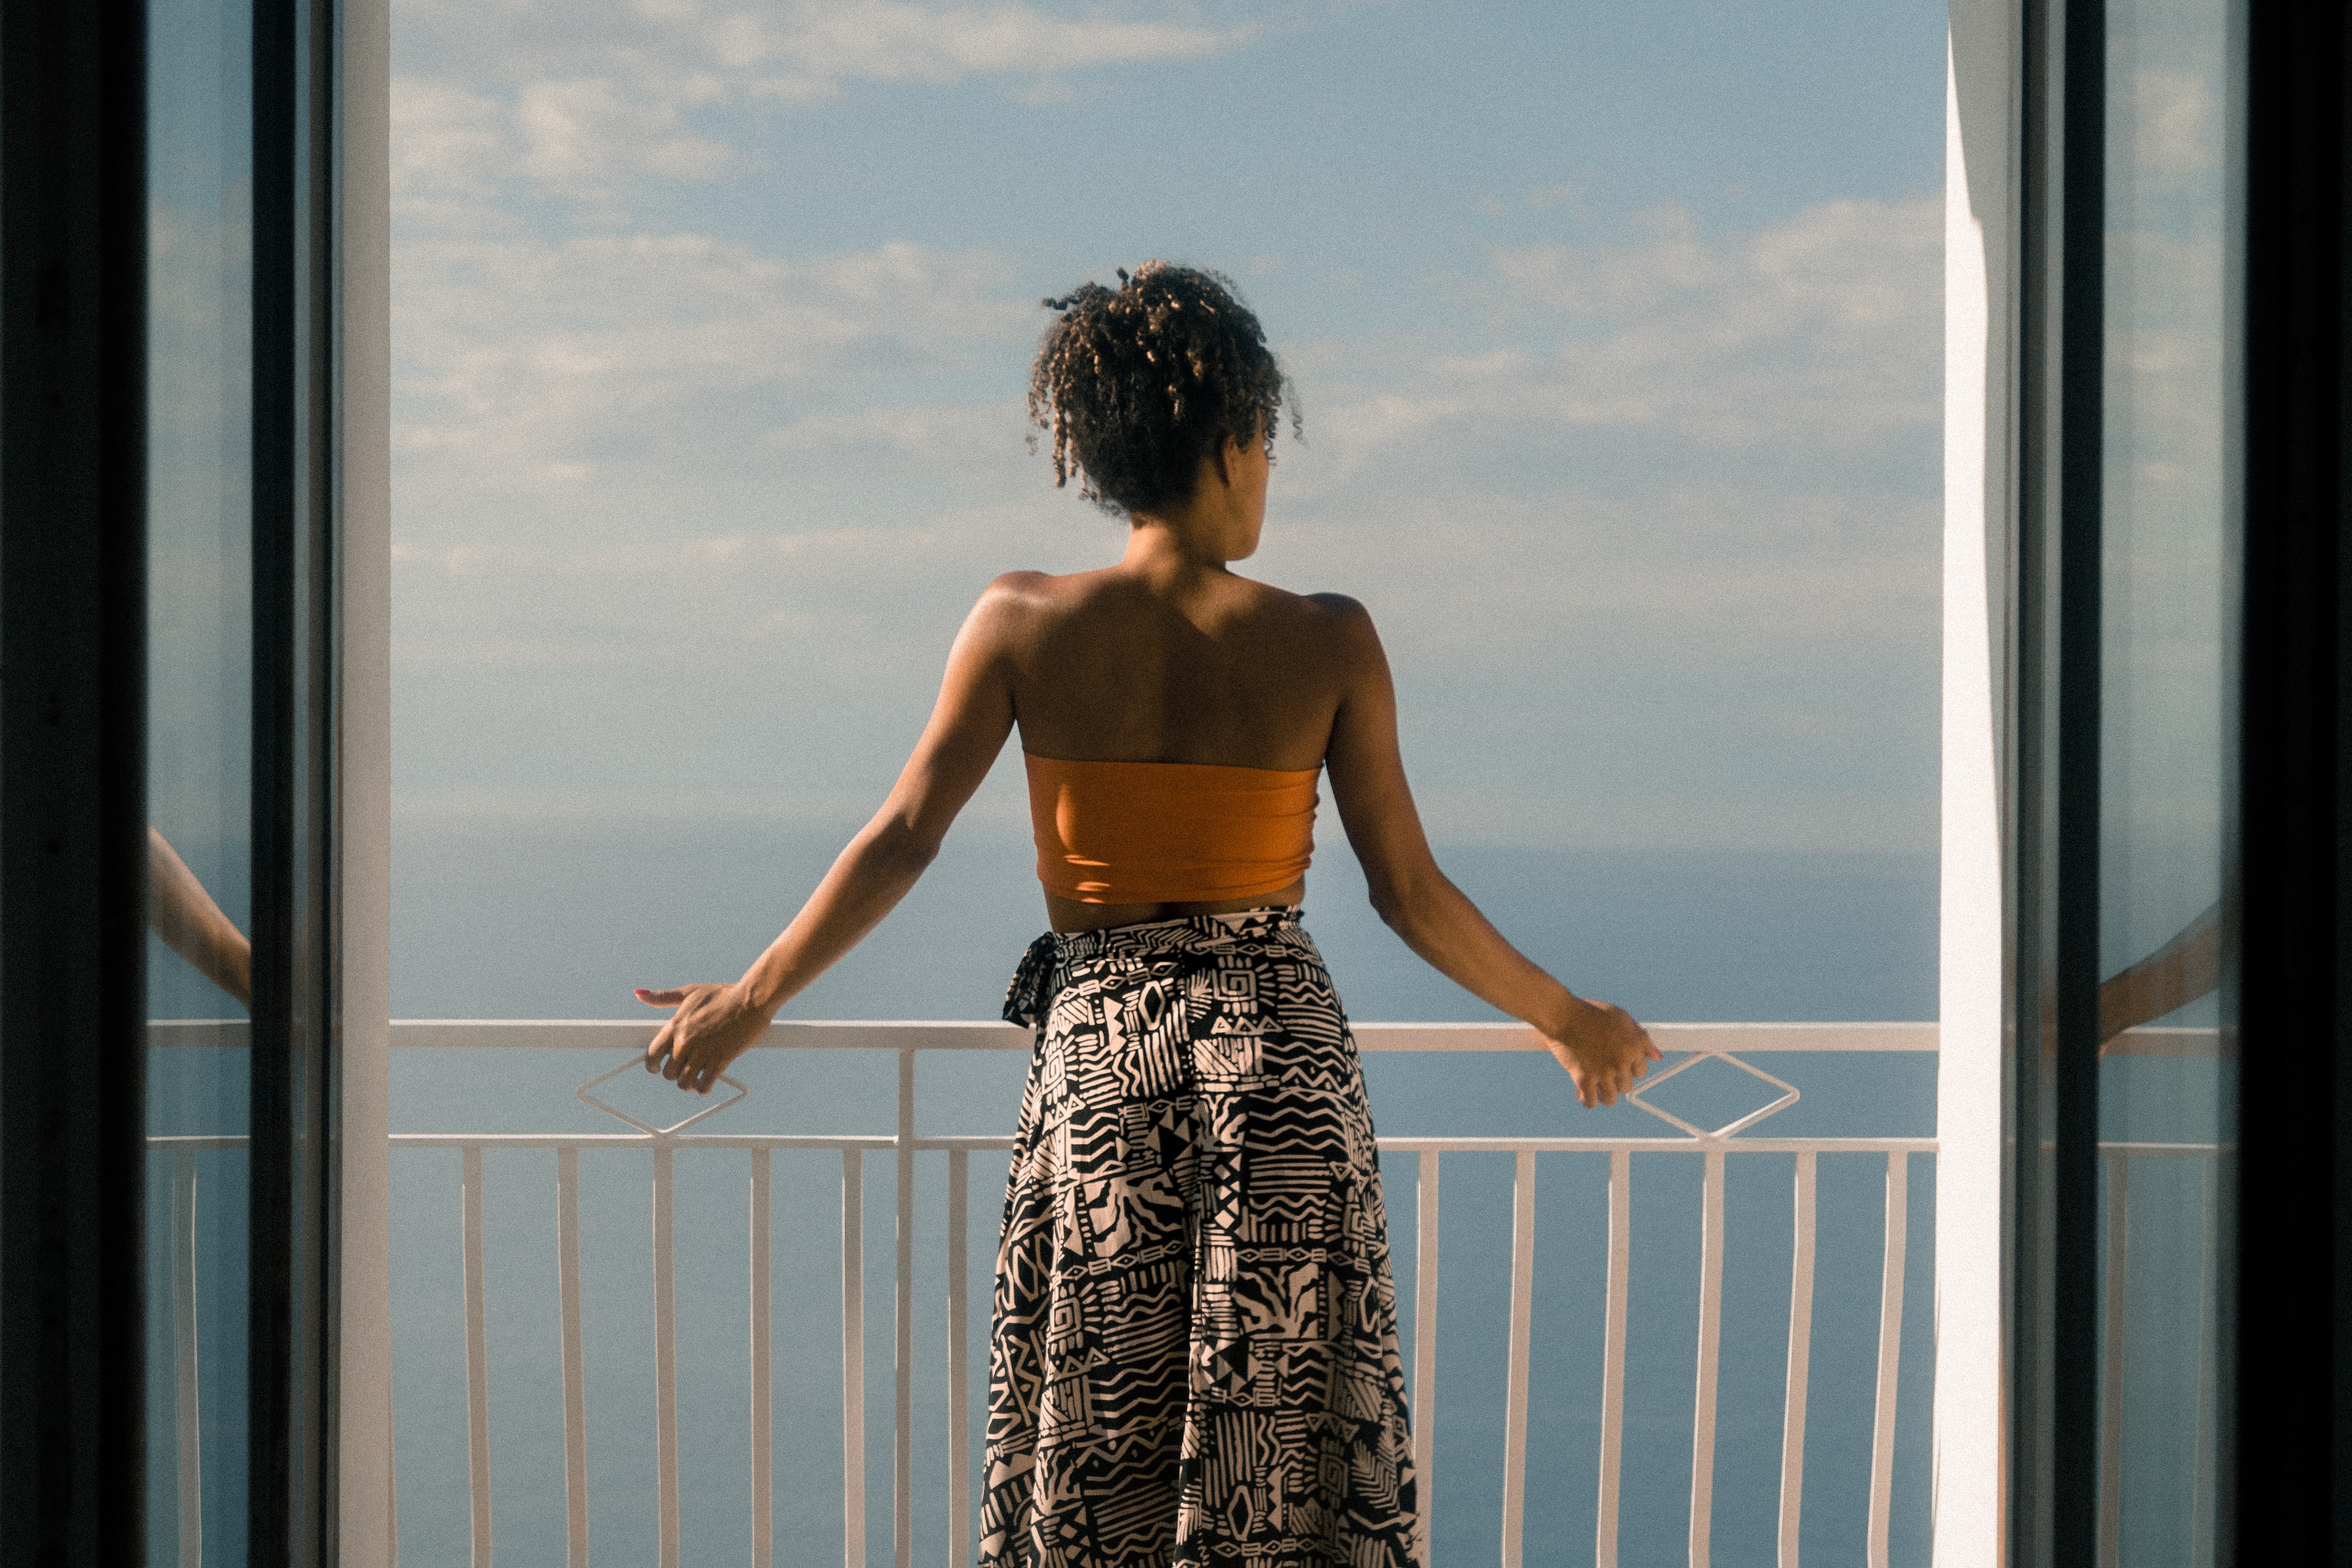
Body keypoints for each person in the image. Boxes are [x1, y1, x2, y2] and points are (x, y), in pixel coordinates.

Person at [635, 262, 1658, 1568]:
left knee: (1098, 1433)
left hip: (1108, 1069)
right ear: (1235, 441)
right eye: (1268, 449)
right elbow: (1406, 893)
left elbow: (904, 839)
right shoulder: (1331, 639)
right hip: (1279, 1067)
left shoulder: (1019, 621)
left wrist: (752, 997)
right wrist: (1568, 1018)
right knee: (1274, 1437)